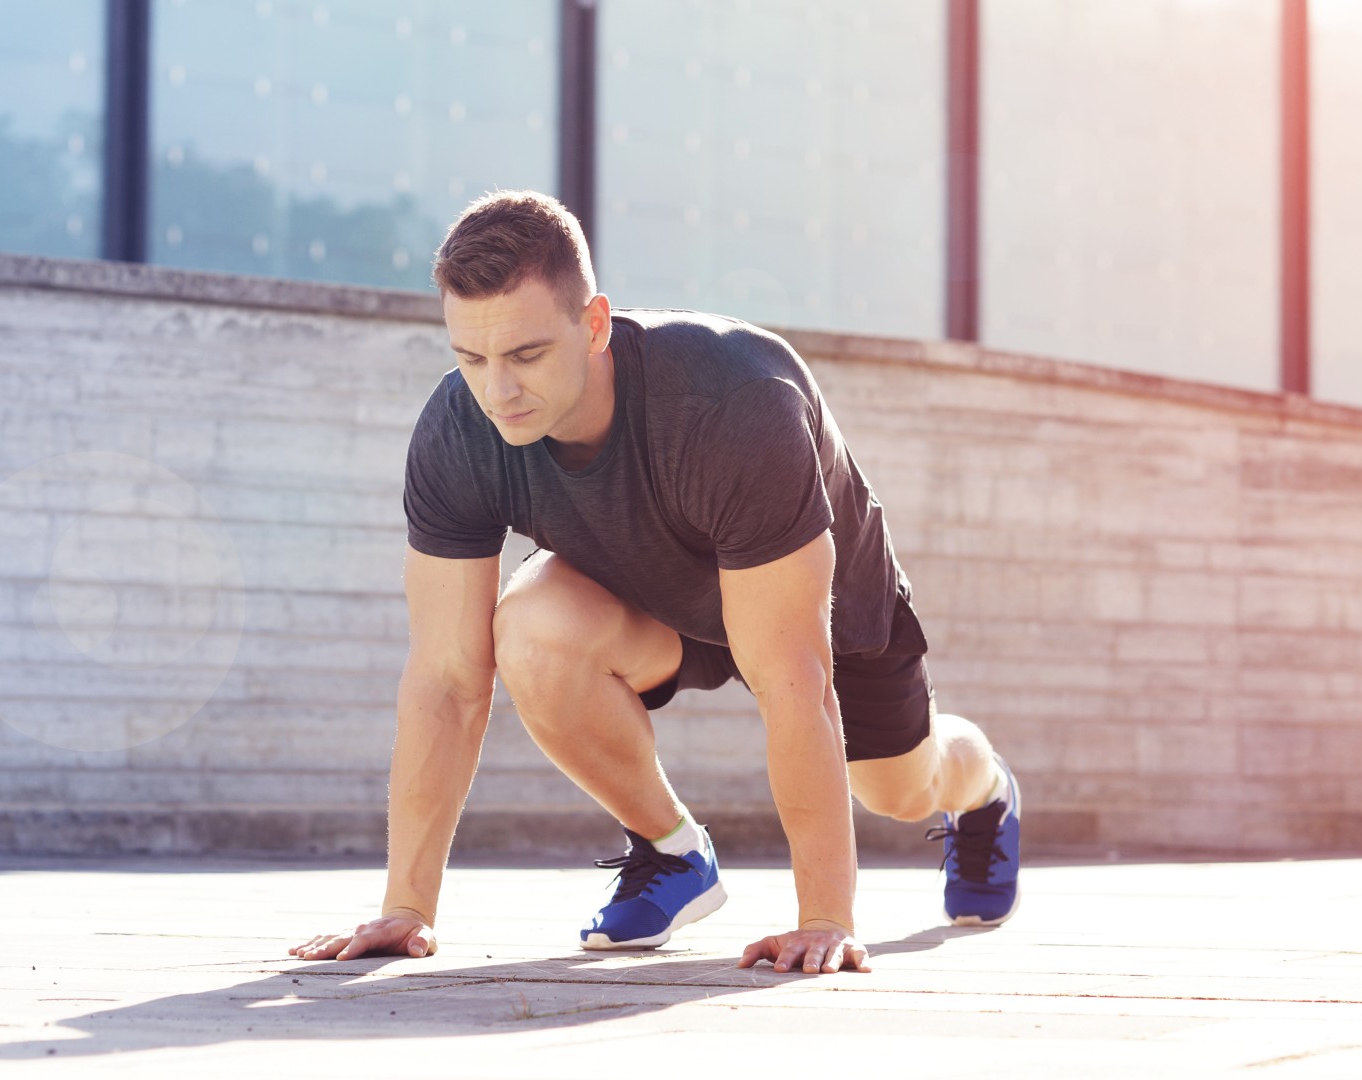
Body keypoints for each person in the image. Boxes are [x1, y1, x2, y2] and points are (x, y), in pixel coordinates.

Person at [290, 190, 1019, 977]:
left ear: (595, 323)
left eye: (527, 355)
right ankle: (673, 853)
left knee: (902, 788)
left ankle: (986, 788)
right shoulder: (461, 429)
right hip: (652, 605)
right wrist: (407, 908)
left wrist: (823, 919)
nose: (497, 391)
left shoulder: (732, 403)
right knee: (529, 631)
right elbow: (445, 678)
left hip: (823, 620)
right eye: (472, 358)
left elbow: (795, 683)